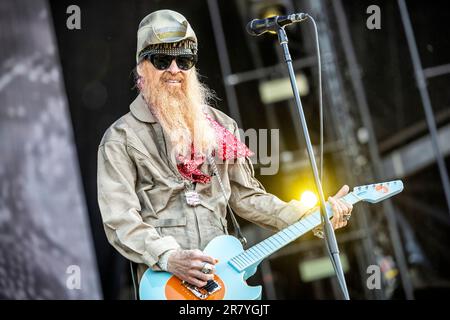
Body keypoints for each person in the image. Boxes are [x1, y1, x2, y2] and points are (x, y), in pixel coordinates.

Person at [97, 9, 353, 289]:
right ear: (141, 67)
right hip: (166, 285)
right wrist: (168, 256)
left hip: (222, 282)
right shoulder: (120, 138)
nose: (174, 70)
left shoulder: (219, 126)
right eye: (161, 60)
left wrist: (308, 216)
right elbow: (119, 220)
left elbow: (247, 197)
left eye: (184, 60)